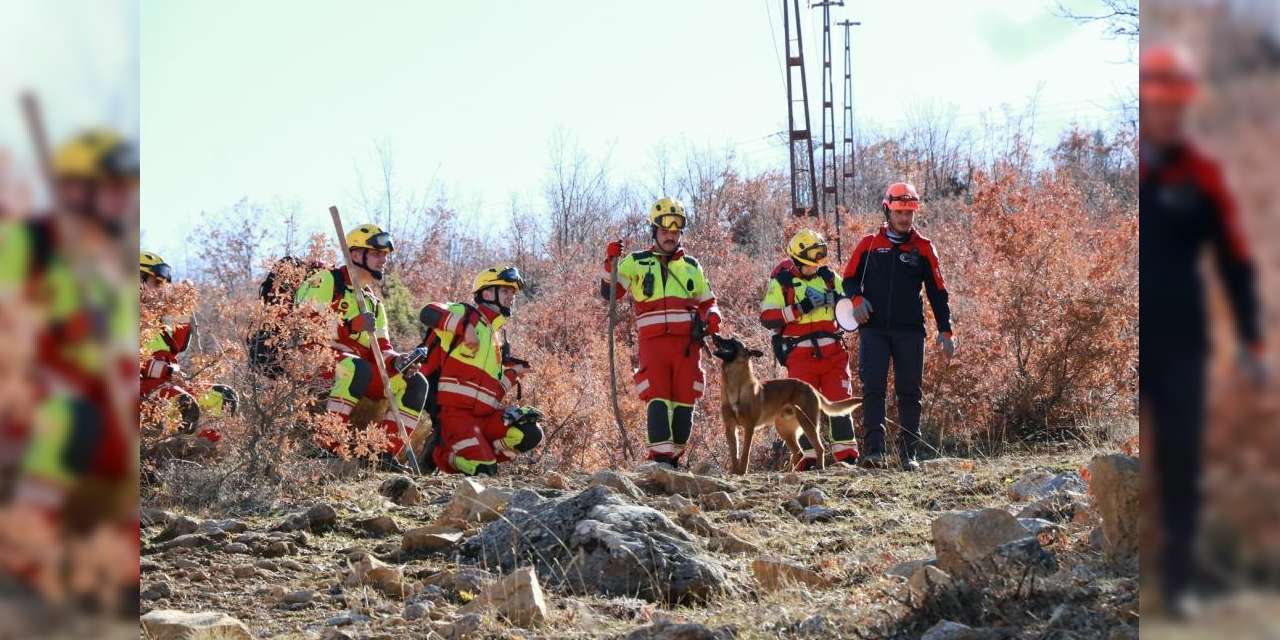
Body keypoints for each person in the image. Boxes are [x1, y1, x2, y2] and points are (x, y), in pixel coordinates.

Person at [1139, 43, 1268, 612]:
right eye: (1158, 104)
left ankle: (1178, 582)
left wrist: (1251, 337)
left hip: (1185, 343)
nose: (1168, 115)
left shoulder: (1202, 173)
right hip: (1135, 339)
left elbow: (1237, 260)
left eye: (1176, 105)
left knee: (1182, 459)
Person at [841, 182, 954, 471]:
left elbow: (938, 292)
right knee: (873, 388)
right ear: (887, 211)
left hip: (910, 331)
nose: (905, 218)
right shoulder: (868, 244)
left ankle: (908, 455)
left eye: (909, 213)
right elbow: (848, 278)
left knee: (910, 391)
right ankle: (874, 452)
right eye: (899, 212)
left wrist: (946, 330)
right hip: (873, 329)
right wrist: (856, 300)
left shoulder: (924, 247)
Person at [601, 197, 721, 467]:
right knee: (657, 399)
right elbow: (611, 293)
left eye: (675, 231)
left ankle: (674, 459)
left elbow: (708, 301)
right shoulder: (636, 261)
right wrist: (610, 263)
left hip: (687, 347)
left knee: (685, 404)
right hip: (653, 346)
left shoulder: (692, 266)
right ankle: (660, 462)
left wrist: (713, 316)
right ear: (654, 231)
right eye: (665, 230)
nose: (670, 236)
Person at [294, 224, 428, 462]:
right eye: (376, 253)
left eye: (385, 255)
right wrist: (350, 327)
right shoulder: (325, 281)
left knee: (416, 383)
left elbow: (382, 349)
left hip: (356, 369)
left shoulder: (374, 304)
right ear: (355, 254)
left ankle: (382, 454)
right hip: (312, 363)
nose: (383, 260)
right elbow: (302, 328)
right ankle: (326, 446)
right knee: (356, 367)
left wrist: (398, 362)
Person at [419, 265, 543, 475]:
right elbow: (428, 312)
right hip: (455, 418)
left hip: (485, 418)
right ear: (486, 294)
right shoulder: (467, 314)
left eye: (513, 292)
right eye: (505, 290)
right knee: (484, 470)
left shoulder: (498, 339)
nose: (511, 297)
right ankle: (439, 454)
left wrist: (513, 374)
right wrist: (465, 327)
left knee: (530, 433)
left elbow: (492, 393)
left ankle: (480, 451)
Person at [759, 229, 858, 469]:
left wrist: (837, 299)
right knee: (802, 408)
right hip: (800, 356)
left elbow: (852, 303)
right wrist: (799, 308)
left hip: (834, 354)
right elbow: (768, 317)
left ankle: (847, 458)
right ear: (797, 259)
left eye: (820, 257)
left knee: (840, 401)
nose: (817, 264)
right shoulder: (782, 283)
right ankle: (809, 460)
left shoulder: (828, 277)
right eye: (812, 259)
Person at [139, 251, 237, 446]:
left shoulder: (159, 319)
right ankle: (167, 454)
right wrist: (164, 370)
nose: (162, 289)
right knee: (182, 403)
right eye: (157, 283)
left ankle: (203, 453)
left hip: (166, 383)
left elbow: (179, 346)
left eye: (164, 284)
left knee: (222, 398)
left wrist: (181, 310)